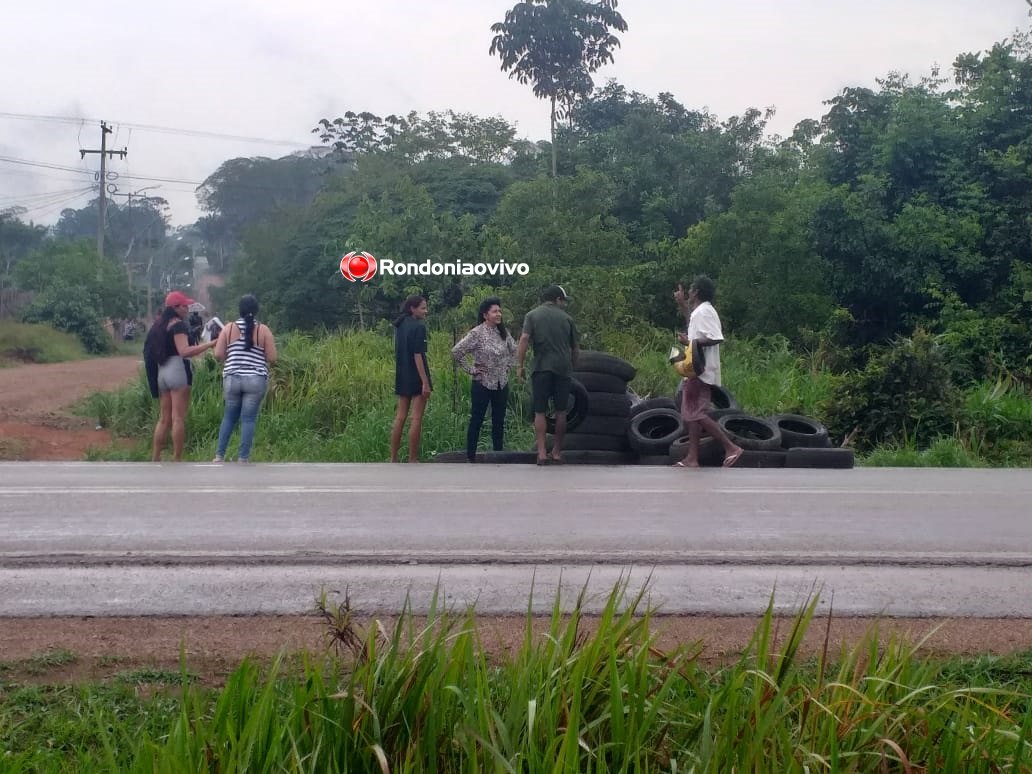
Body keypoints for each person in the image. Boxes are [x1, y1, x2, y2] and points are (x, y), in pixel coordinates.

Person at [672, 276, 744, 468]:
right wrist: (681, 305)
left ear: (696, 292)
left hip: (699, 369)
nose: (688, 292)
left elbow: (716, 338)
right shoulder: (700, 312)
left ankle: (731, 447)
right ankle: (692, 457)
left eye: (690, 289)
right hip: (696, 369)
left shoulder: (705, 312)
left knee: (695, 413)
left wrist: (691, 343)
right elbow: (694, 327)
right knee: (693, 414)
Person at [142, 290, 217, 462]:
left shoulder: (158, 326)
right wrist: (210, 344)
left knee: (163, 419)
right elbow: (184, 351)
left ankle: (156, 457)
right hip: (177, 370)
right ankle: (177, 458)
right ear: (176, 308)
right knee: (178, 418)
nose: (187, 309)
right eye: (185, 306)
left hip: (162, 372)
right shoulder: (178, 325)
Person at [516, 285, 579, 465]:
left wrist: (519, 366)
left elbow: (524, 339)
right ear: (557, 299)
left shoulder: (532, 315)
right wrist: (573, 367)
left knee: (540, 410)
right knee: (561, 411)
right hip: (563, 369)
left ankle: (542, 453)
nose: (564, 304)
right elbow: (575, 349)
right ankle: (557, 452)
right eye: (563, 301)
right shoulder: (568, 319)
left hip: (541, 368)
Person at [212, 294, 277, 464]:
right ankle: (243, 457)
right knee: (248, 419)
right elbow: (272, 357)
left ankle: (219, 455)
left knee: (229, 417)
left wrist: (232, 355)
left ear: (239, 310)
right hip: (256, 379)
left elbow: (218, 354)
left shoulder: (229, 328)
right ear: (256, 311)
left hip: (232, 378)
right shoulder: (264, 330)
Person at [451, 296, 517, 462]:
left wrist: (508, 366)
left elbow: (514, 350)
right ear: (485, 315)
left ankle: (498, 454)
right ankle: (471, 456)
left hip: (501, 382)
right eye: (495, 311)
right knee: (477, 419)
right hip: (482, 382)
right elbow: (456, 352)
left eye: (499, 311)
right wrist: (471, 369)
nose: (498, 314)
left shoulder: (503, 332)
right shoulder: (477, 333)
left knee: (499, 420)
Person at [390, 295, 432, 463]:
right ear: (412, 308)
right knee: (416, 418)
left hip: (402, 374)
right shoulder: (418, 327)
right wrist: (425, 381)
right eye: (422, 308)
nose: (425, 311)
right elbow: (418, 355)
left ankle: (393, 458)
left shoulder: (400, 325)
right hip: (416, 375)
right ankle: (412, 458)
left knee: (400, 417)